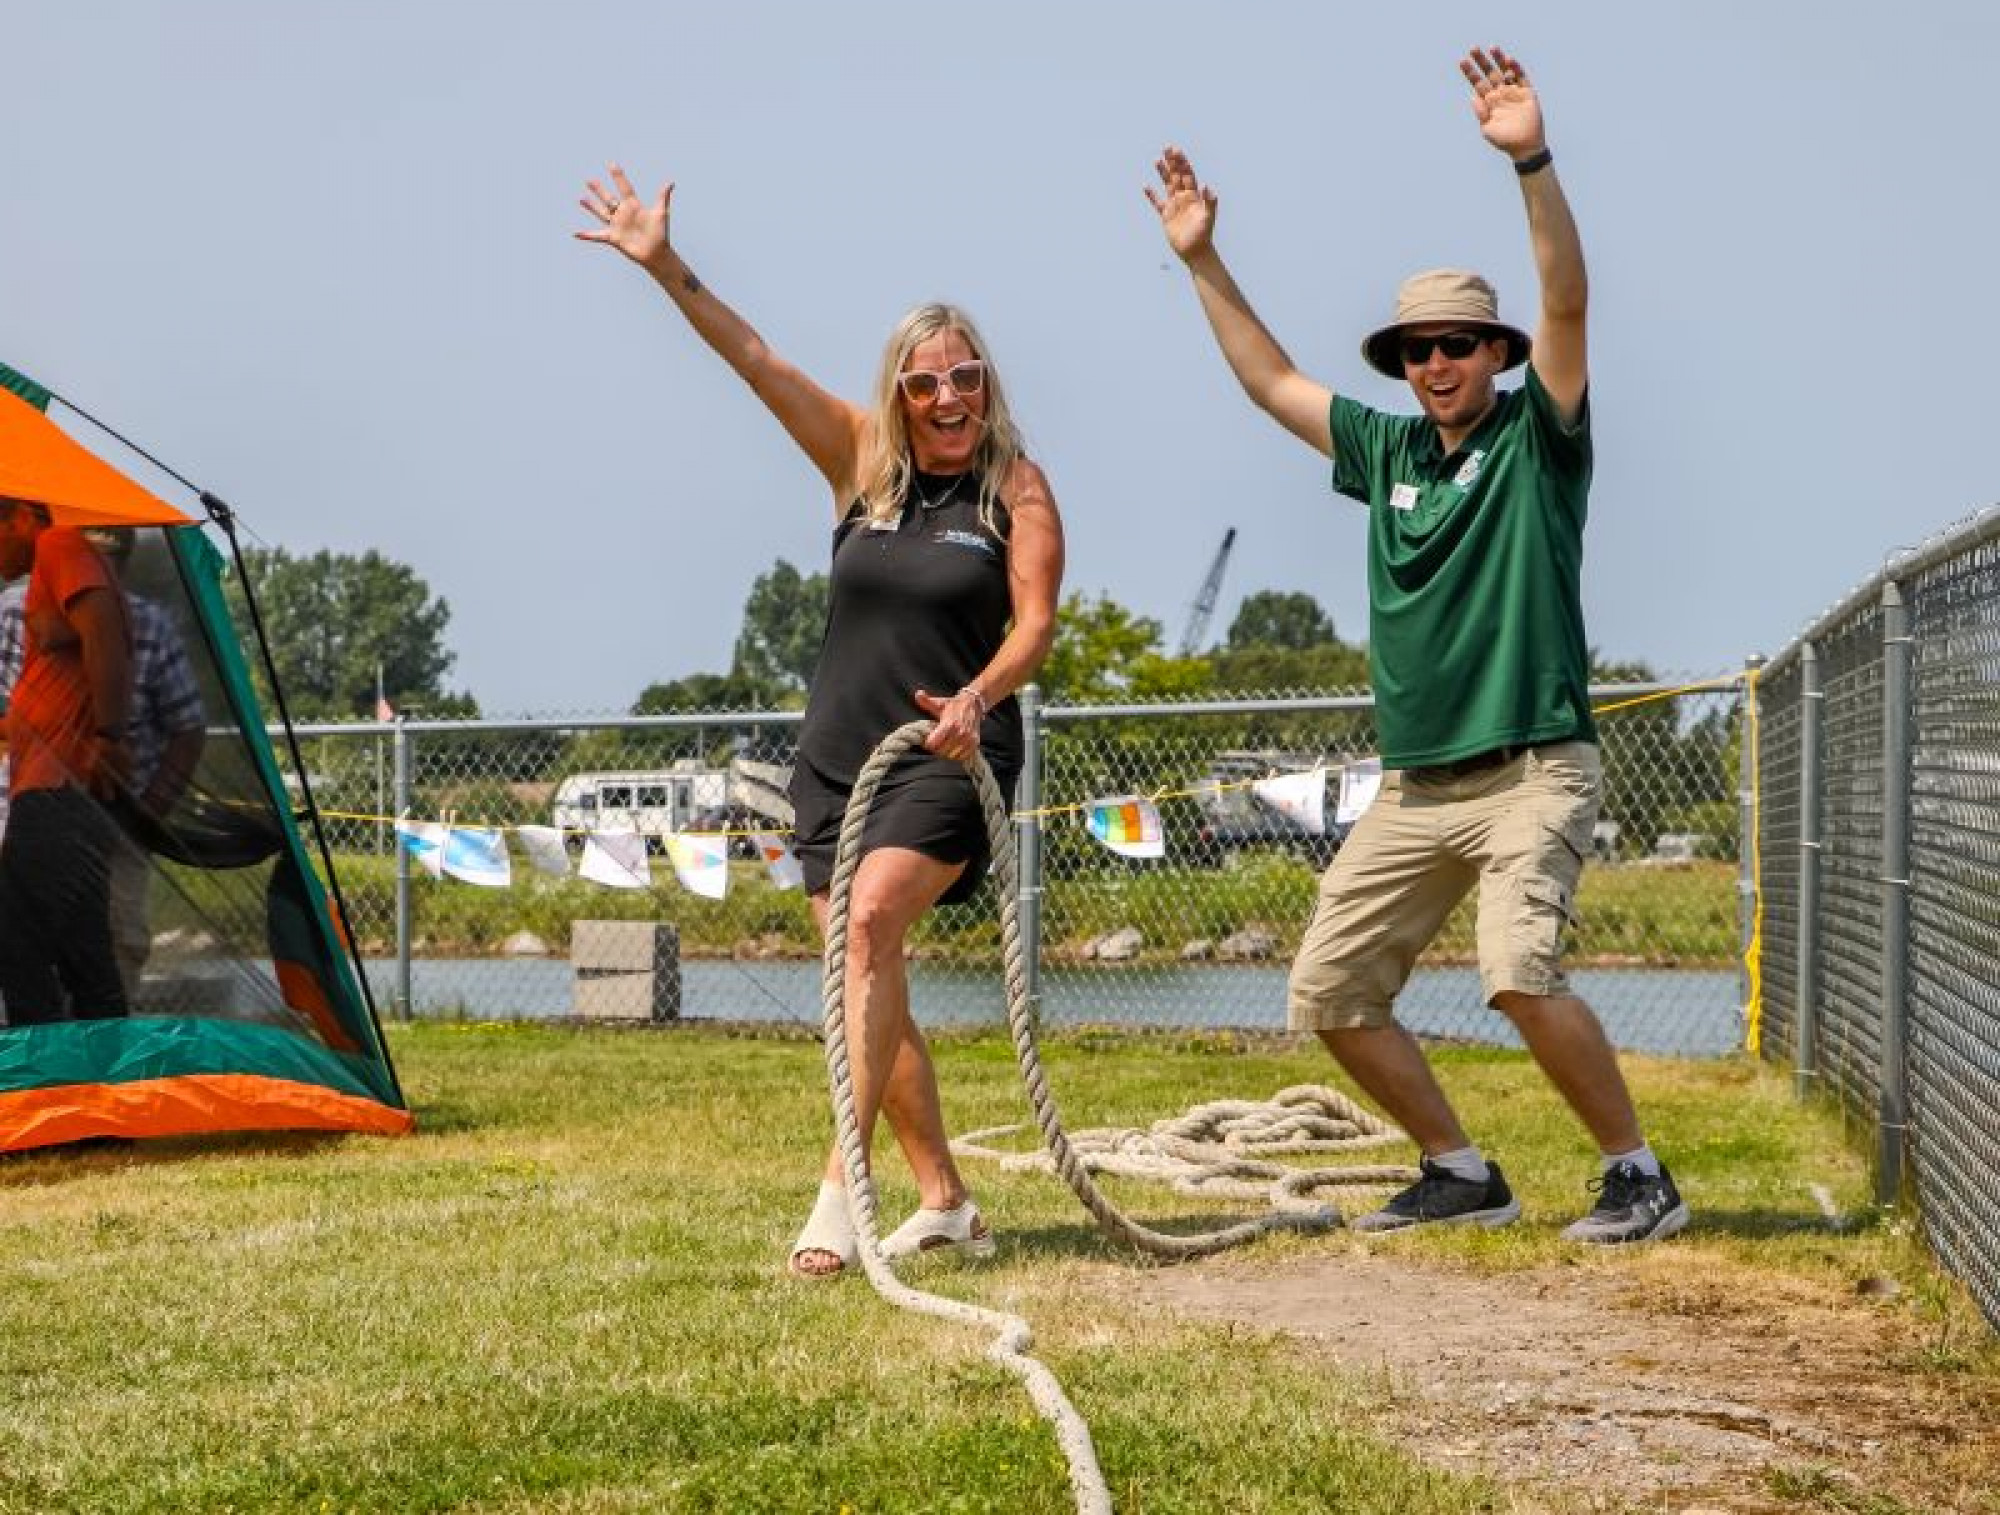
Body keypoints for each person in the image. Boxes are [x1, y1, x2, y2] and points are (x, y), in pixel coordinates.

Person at [1147, 47, 1688, 1244]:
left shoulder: (1539, 440)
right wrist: (1200, 258)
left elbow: (1565, 303)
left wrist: (1530, 160)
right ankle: (1458, 1170)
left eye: (1456, 344)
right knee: (1329, 995)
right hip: (1413, 785)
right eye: (1416, 351)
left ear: (1493, 353)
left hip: (1532, 767)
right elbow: (1267, 381)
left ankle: (1638, 1175)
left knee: (1515, 975)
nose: (1435, 364)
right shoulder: (1388, 452)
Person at [577, 164, 1064, 1276]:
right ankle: (943, 1197)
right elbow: (756, 361)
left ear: (987, 384)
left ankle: (841, 1189)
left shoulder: (1016, 490)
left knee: (867, 929)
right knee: (862, 970)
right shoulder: (859, 467)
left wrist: (981, 695)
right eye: (925, 383)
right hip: (834, 763)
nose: (947, 400)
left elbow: (1032, 626)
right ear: (896, 392)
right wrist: (663, 269)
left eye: (966, 379)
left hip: (953, 749)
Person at [0, 528, 206, 998]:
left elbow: (186, 729)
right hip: (28, 808)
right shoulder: (15, 610)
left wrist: (145, 816)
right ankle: (49, 1055)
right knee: (32, 943)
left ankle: (91, 1056)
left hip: (104, 811)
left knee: (103, 944)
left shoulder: (143, 623)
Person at [0, 496, 134, 1025]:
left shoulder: (60, 543)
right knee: (81, 950)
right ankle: (103, 1072)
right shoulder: (49, 571)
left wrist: (110, 734)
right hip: (53, 786)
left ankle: (47, 1075)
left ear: (23, 518)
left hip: (59, 790)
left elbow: (102, 626)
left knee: (16, 938)